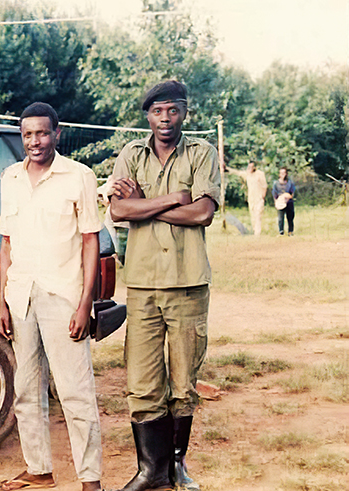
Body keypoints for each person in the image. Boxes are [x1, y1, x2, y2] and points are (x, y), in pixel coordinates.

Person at [108, 81, 221, 491]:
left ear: (185, 112)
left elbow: (203, 213)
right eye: (157, 112)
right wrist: (175, 198)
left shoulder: (202, 153)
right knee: (141, 380)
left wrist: (146, 205)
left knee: (183, 379)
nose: (165, 119)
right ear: (148, 116)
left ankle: (176, 465)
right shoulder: (131, 154)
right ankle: (149, 471)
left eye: (172, 111)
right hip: (141, 285)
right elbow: (119, 209)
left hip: (188, 281)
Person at [0, 102, 104, 491]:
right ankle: (39, 469)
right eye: (27, 134)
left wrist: (84, 303)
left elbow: (90, 242)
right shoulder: (10, 177)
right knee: (26, 390)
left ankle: (90, 479)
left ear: (56, 134)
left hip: (64, 295)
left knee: (75, 392)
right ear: (21, 137)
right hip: (21, 296)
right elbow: (6, 244)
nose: (35, 141)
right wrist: (3, 302)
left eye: (42, 133)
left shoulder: (79, 176)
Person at [224, 159, 267, 236]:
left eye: (251, 167)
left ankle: (257, 233)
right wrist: (227, 168)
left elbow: (264, 186)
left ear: (255, 167)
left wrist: (262, 197)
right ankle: (254, 231)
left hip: (259, 199)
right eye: (249, 166)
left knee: (258, 216)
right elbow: (238, 173)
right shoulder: (247, 175)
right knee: (253, 216)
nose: (250, 168)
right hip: (251, 199)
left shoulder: (260, 174)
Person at [272, 166, 296, 236]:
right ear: (279, 174)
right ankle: (281, 232)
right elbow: (274, 193)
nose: (283, 174)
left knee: (290, 217)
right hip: (280, 203)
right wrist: (276, 202)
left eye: (284, 173)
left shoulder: (290, 183)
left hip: (289, 202)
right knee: (280, 219)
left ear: (286, 174)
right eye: (281, 173)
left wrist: (288, 197)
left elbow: (292, 193)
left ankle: (290, 232)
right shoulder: (276, 184)